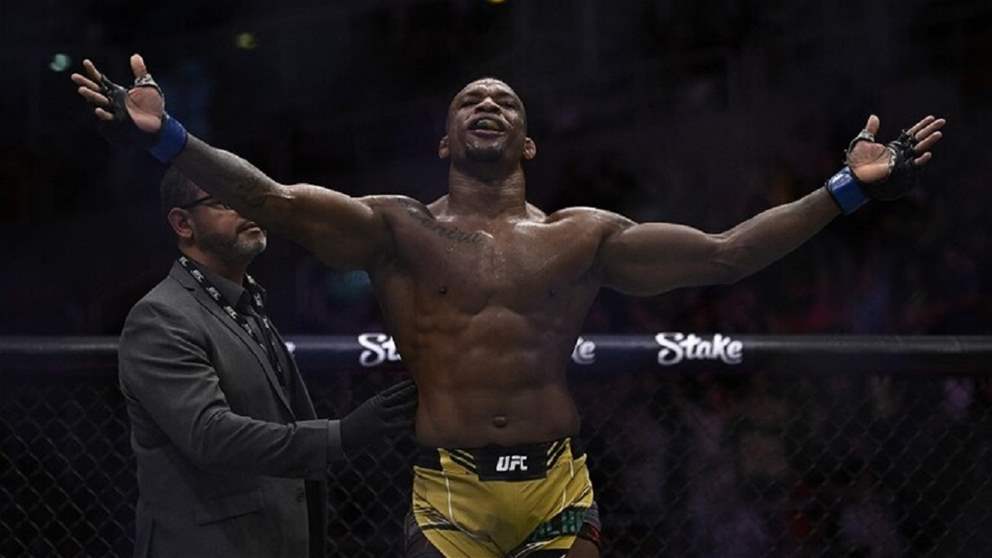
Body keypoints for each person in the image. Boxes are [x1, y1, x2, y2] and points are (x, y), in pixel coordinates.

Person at [73, 54, 944, 558]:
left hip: (558, 485)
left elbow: (727, 253)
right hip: (447, 494)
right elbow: (273, 199)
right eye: (469, 101)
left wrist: (845, 190)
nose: (487, 104)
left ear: (526, 142)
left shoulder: (583, 235)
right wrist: (170, 139)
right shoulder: (395, 230)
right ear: (444, 140)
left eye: (505, 103)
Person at [116, 166, 417, 558]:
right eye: (226, 201)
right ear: (183, 224)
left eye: (250, 197)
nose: (248, 209)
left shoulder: (243, 302)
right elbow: (210, 434)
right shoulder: (161, 317)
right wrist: (340, 435)